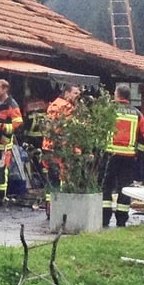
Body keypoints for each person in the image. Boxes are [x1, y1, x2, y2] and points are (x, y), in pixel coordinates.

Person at [100, 85, 144, 227]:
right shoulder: (137, 114)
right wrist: (138, 155)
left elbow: (100, 131)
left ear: (117, 95)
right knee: (124, 187)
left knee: (106, 186)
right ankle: (121, 220)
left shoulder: (109, 111)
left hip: (110, 154)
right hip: (128, 157)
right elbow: (143, 137)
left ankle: (105, 217)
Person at [42, 84, 81, 217]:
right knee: (62, 177)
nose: (78, 96)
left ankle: (50, 209)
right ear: (67, 93)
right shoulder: (67, 107)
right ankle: (60, 209)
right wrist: (75, 148)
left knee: (51, 179)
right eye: (75, 93)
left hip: (48, 146)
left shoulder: (53, 104)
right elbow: (70, 130)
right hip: (61, 148)